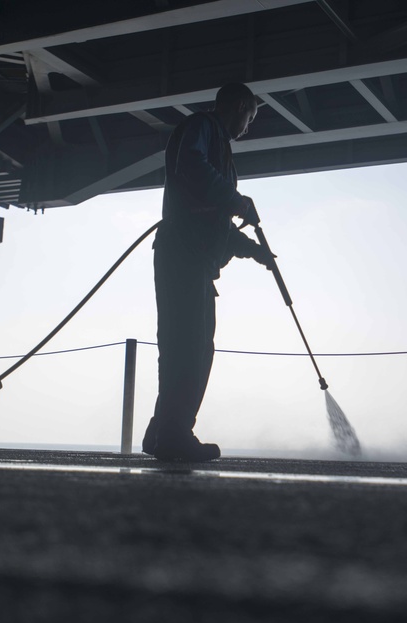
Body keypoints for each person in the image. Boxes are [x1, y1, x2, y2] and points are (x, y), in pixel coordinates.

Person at [142, 82, 274, 462]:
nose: (247, 128)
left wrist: (253, 250)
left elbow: (212, 220)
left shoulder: (218, 145)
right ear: (237, 107)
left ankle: (163, 428)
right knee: (188, 346)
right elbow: (193, 169)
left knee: (189, 345)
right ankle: (174, 432)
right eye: (248, 118)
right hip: (183, 255)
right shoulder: (201, 127)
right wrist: (237, 200)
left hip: (192, 259)